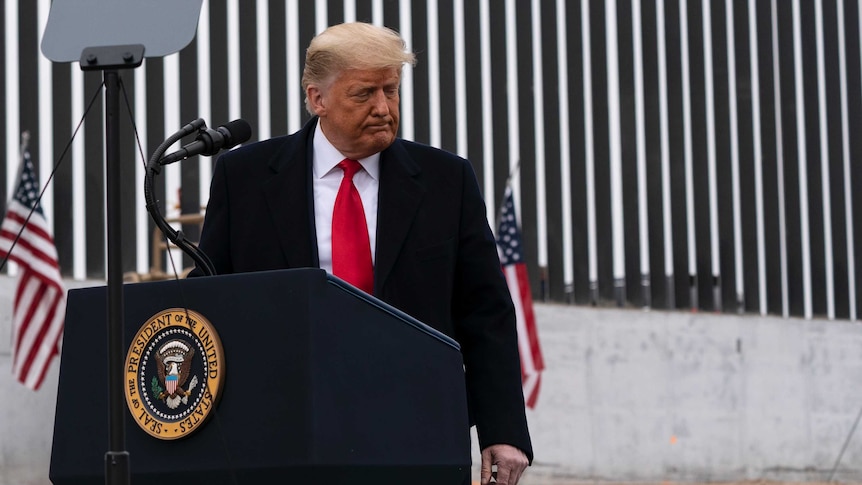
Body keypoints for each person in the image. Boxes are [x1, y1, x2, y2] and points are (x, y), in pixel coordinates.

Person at [192, 22, 532, 484]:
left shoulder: (446, 181)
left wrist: (504, 429)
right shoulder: (245, 178)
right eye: (364, 94)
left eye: (391, 91)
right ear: (317, 99)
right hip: (284, 430)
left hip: (416, 427)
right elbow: (213, 301)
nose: (383, 108)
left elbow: (486, 312)